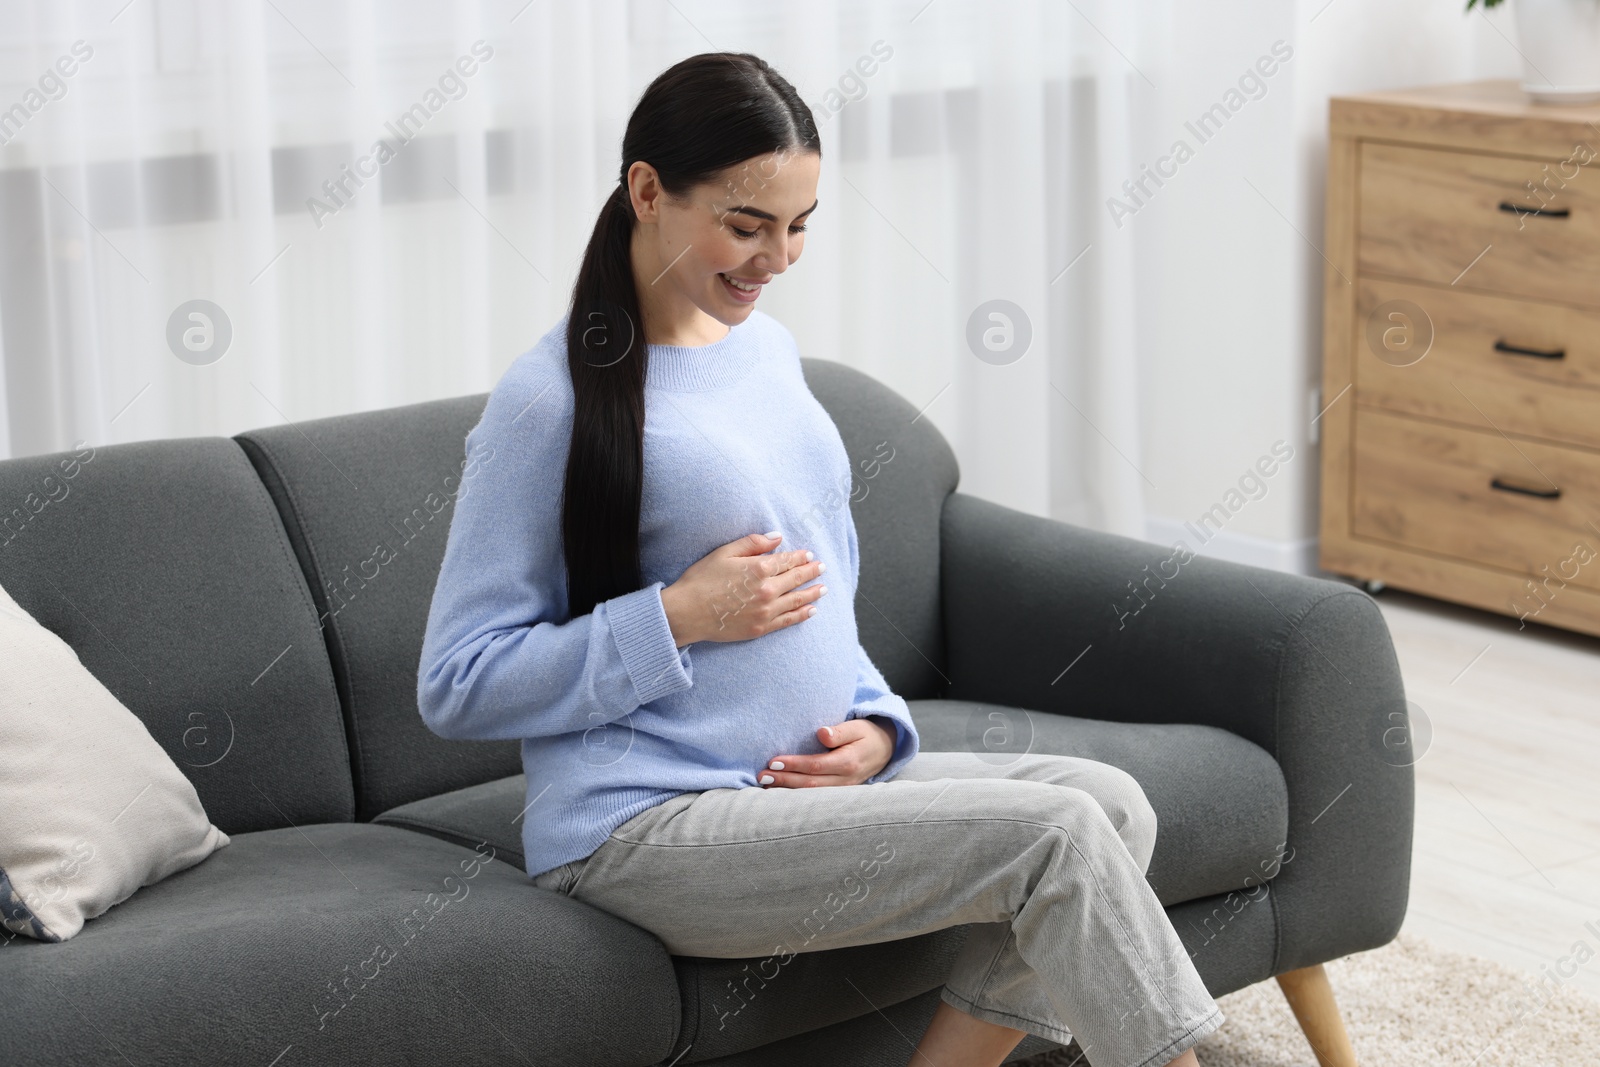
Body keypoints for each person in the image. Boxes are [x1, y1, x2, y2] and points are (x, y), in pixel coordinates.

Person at [416, 51, 1222, 1067]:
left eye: (798, 227)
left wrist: (878, 727)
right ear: (647, 191)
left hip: (798, 790)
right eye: (746, 225)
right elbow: (456, 684)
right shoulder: (548, 406)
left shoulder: (765, 355)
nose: (776, 258)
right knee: (1058, 833)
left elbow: (822, 582)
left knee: (1108, 802)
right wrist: (675, 615)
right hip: (645, 826)